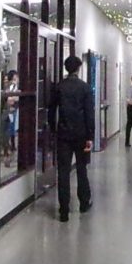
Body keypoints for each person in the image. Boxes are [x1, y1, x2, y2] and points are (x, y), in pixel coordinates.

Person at [48, 55, 94, 222]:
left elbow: (51, 111)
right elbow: (89, 113)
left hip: (63, 134)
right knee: (82, 169)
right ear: (78, 68)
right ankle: (83, 203)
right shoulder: (85, 88)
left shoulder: (59, 87)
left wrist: (54, 129)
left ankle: (64, 210)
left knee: (63, 171)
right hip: (81, 134)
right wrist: (90, 135)